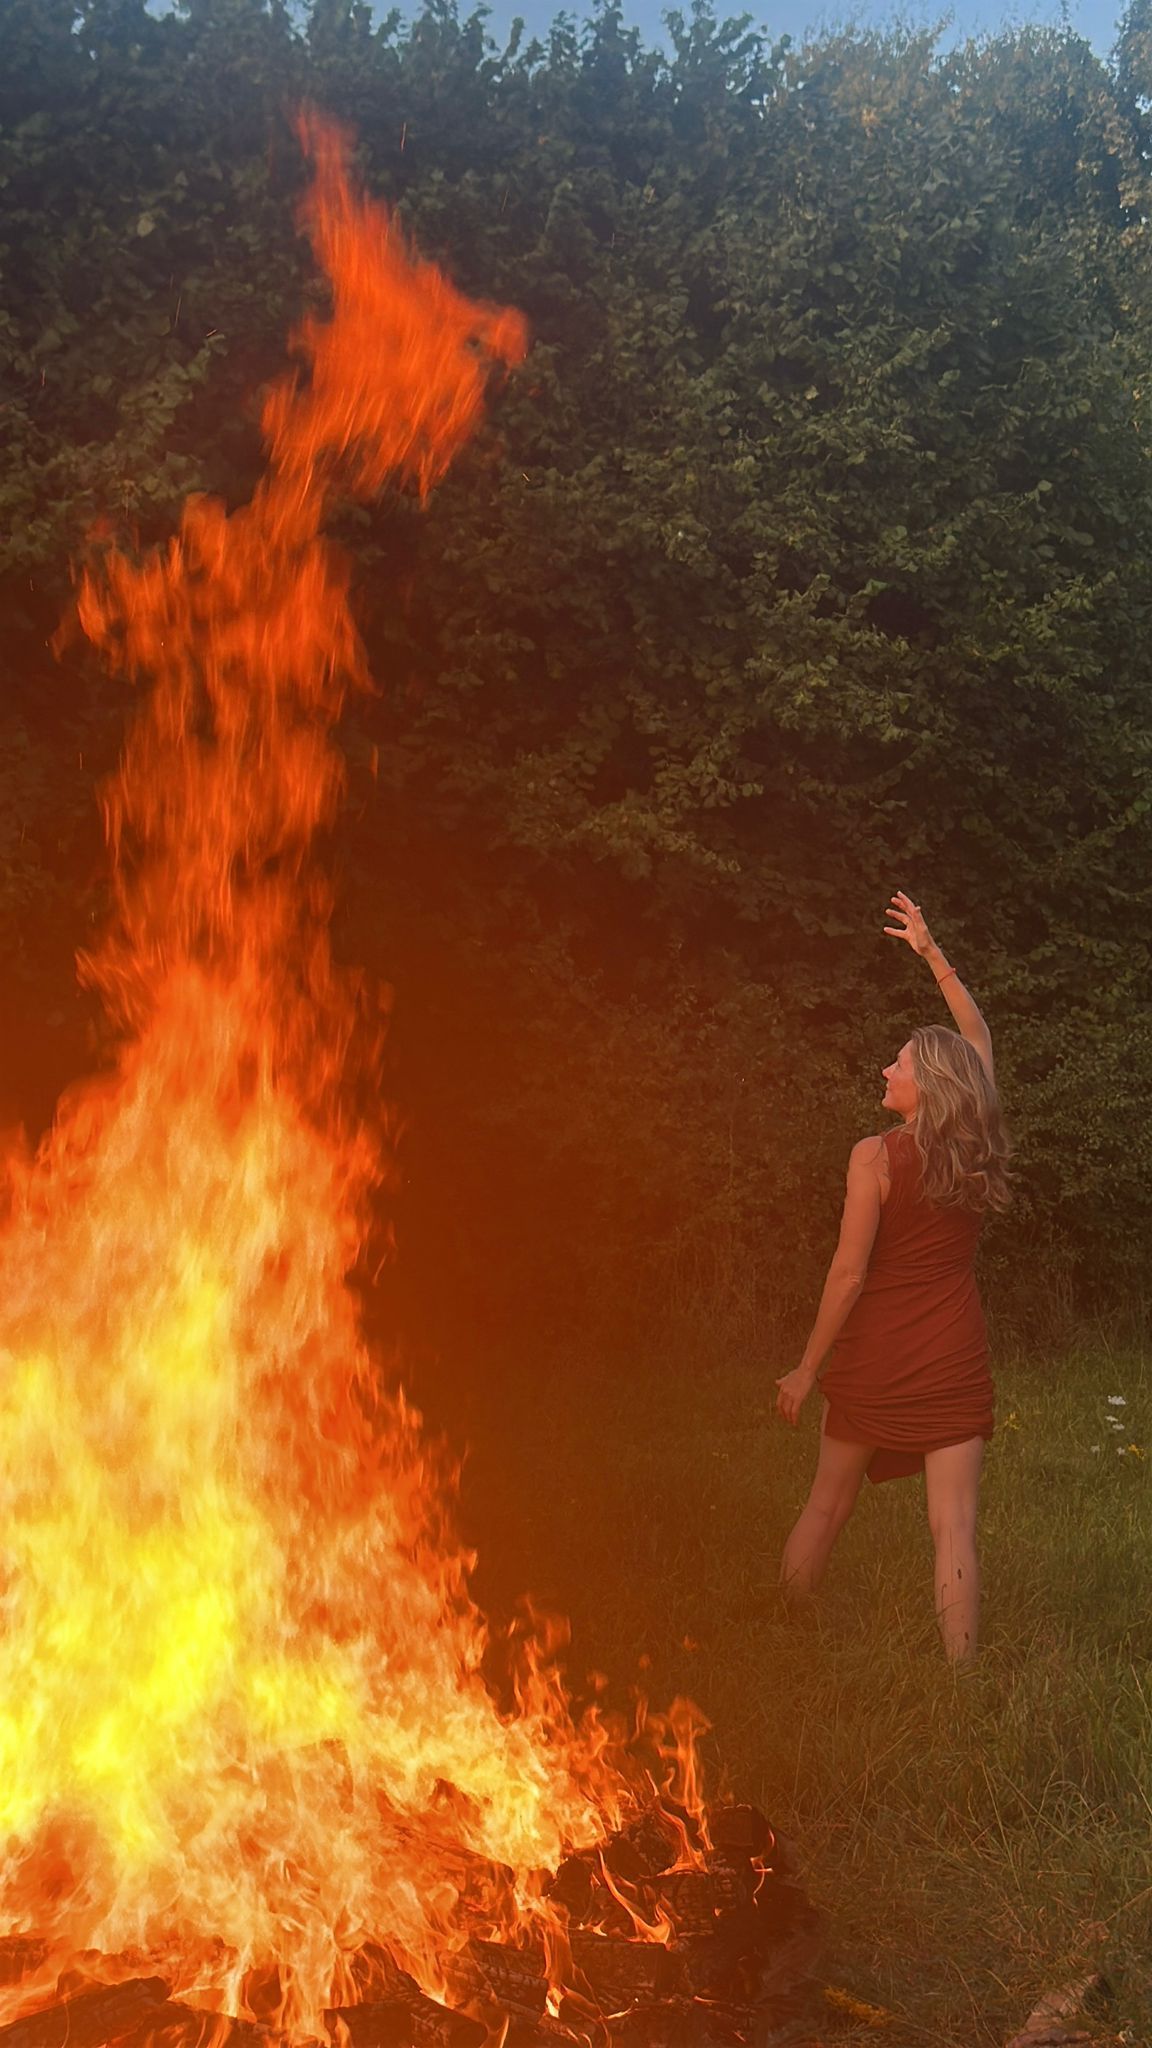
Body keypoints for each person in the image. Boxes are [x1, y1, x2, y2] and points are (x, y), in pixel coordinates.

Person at [775, 892, 1011, 1661]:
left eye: (899, 1064)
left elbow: (848, 1275)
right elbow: (977, 1038)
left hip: (875, 1360)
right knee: (955, 1526)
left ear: (927, 1086)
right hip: (951, 1355)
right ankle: (963, 1684)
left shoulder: (874, 1158)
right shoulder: (974, 1143)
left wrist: (807, 1368)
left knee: (827, 1505)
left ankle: (781, 1637)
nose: (885, 1069)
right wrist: (932, 953)